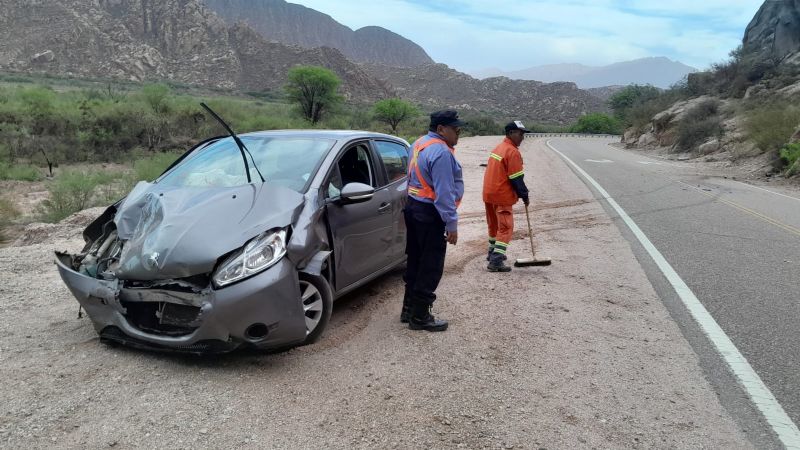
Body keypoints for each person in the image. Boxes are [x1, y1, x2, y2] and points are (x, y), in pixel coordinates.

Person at [401, 110, 465, 332]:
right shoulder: (441, 152)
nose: (458, 132)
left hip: (413, 208)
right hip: (430, 214)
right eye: (455, 129)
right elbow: (444, 193)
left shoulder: (418, 143)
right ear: (441, 129)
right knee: (430, 265)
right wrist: (451, 224)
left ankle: (408, 309)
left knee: (415, 260)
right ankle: (420, 317)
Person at [482, 120, 531, 272]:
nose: (522, 137)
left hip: (489, 193)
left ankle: (492, 252)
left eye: (523, 134)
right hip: (501, 195)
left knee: (493, 225)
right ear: (510, 133)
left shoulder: (499, 148)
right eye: (520, 134)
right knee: (505, 227)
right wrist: (525, 195)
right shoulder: (512, 152)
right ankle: (496, 261)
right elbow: (516, 178)